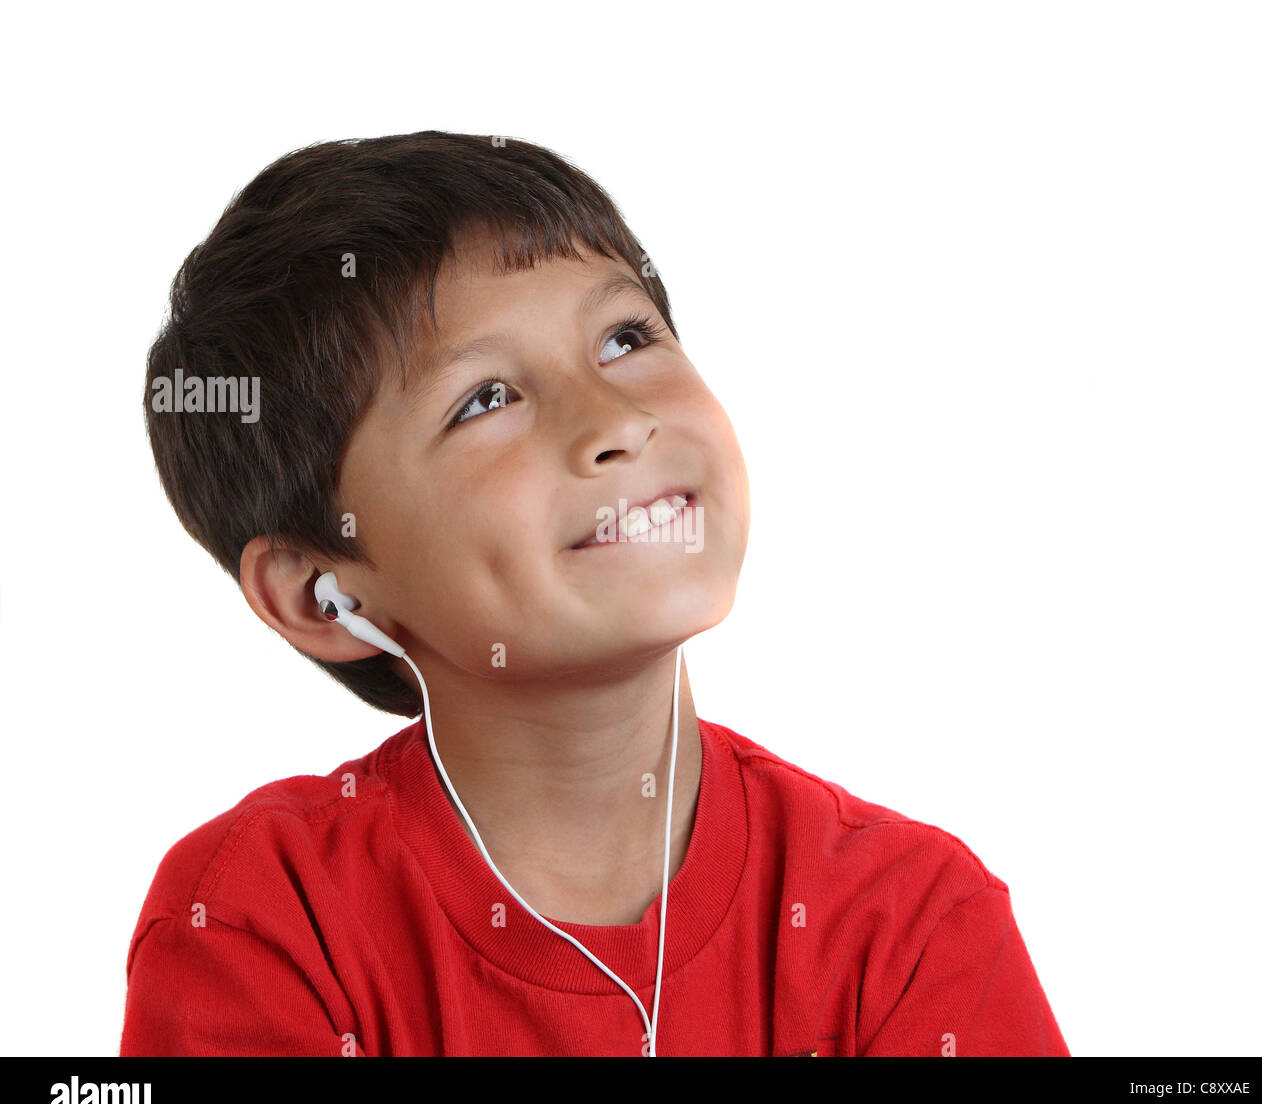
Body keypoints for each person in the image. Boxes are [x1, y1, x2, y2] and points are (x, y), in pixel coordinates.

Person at [120, 130, 1068, 1057]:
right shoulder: (261, 922)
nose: (616, 421)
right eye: (487, 398)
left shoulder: (911, 924)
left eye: (624, 338)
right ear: (317, 596)